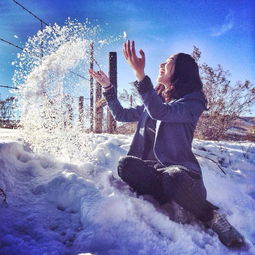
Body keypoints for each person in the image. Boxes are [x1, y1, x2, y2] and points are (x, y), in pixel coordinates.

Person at [88, 40, 244, 248]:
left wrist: (140, 75)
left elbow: (161, 112)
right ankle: (176, 201)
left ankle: (210, 215)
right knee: (125, 165)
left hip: (183, 176)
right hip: (155, 172)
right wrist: (108, 87)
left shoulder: (193, 101)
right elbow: (121, 115)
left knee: (174, 177)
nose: (161, 64)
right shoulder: (155, 99)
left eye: (169, 61)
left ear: (181, 71)